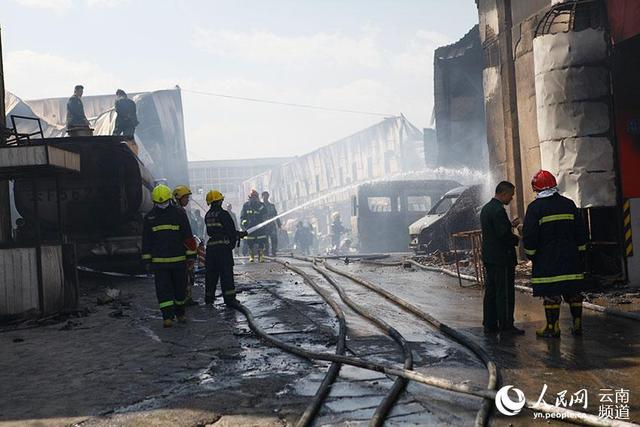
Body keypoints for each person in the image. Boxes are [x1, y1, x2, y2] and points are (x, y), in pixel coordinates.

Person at [523, 170, 588, 338]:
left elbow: (530, 235)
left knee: (551, 294)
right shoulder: (568, 204)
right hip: (571, 257)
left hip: (547, 260)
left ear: (536, 188)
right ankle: (578, 323)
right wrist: (581, 251)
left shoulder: (534, 208)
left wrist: (531, 254)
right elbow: (581, 230)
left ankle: (552, 327)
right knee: (573, 292)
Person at [141, 184, 197, 327]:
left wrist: (191, 257)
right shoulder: (149, 217)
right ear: (154, 202)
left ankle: (180, 313)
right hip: (160, 263)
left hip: (178, 261)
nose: (162, 205)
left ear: (169, 199)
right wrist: (147, 260)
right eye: (159, 203)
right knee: (163, 290)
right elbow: (146, 240)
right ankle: (167, 317)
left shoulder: (179, 214)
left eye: (164, 202)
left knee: (180, 289)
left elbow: (187, 236)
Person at [480, 181, 524, 335]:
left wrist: (509, 225)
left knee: (491, 291)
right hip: (502, 259)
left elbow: (494, 230)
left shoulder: (486, 209)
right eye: (510, 196)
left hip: (490, 258)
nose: (511, 199)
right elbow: (503, 236)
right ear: (503, 193)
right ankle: (506, 325)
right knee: (504, 293)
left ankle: (490, 324)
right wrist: (517, 238)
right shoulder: (499, 210)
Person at [204, 190, 247, 306]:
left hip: (211, 249)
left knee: (211, 275)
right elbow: (230, 232)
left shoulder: (207, 215)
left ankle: (209, 298)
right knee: (226, 274)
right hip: (222, 250)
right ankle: (229, 299)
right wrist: (236, 239)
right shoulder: (223, 214)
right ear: (219, 201)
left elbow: (211, 231)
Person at [173, 185, 198, 306]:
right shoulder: (180, 211)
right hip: (182, 250)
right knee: (186, 275)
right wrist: (192, 251)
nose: (188, 200)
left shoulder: (171, 210)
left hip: (173, 250)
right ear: (179, 197)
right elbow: (186, 232)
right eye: (186, 198)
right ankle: (186, 298)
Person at [240, 189, 267, 262]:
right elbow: (242, 217)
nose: (253, 199)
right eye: (252, 197)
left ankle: (261, 256)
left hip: (260, 229)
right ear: (250, 198)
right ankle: (251, 256)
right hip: (250, 228)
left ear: (257, 198)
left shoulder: (261, 205)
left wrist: (264, 223)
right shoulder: (246, 206)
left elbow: (265, 215)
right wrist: (244, 224)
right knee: (250, 243)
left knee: (261, 242)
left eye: (255, 197)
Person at [261, 191, 282, 257]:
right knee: (265, 240)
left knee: (274, 238)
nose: (266, 197)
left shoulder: (272, 206)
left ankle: (274, 251)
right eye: (264, 196)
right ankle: (266, 251)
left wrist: (279, 224)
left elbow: (276, 215)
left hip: (271, 225)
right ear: (262, 197)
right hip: (264, 226)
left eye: (267, 196)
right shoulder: (260, 206)